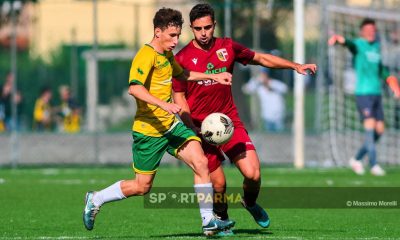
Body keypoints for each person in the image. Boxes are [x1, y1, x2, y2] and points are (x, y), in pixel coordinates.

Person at [82, 7, 235, 236]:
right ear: (157, 32)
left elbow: (182, 74)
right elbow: (134, 88)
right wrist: (163, 104)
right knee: (142, 186)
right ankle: (96, 198)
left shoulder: (166, 55)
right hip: (149, 131)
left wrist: (214, 76)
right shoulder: (146, 55)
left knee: (201, 162)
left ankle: (208, 222)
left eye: (178, 35)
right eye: (171, 36)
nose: (176, 41)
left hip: (171, 127)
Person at [172, 3, 317, 234]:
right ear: (191, 28)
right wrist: (191, 129)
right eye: (198, 28)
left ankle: (249, 202)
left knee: (253, 173)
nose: (203, 33)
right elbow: (178, 96)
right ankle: (221, 217)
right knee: (218, 184)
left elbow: (261, 58)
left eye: (208, 27)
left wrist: (295, 66)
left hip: (229, 123)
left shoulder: (227, 47)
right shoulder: (181, 59)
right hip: (201, 129)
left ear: (214, 25)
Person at [328, 18, 400, 176]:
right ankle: (374, 164)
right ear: (362, 32)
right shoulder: (359, 44)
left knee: (379, 130)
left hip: (377, 94)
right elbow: (349, 44)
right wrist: (340, 40)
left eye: (373, 30)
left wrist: (393, 84)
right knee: (370, 128)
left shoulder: (376, 46)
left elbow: (382, 70)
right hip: (363, 94)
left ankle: (356, 159)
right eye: (368, 30)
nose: (371, 32)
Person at [242, 67, 288, 132]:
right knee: (269, 137)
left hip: (278, 116)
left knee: (280, 136)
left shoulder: (275, 83)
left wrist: (270, 84)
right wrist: (256, 81)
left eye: (264, 75)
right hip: (267, 116)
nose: (262, 77)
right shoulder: (259, 87)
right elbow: (246, 90)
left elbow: (285, 89)